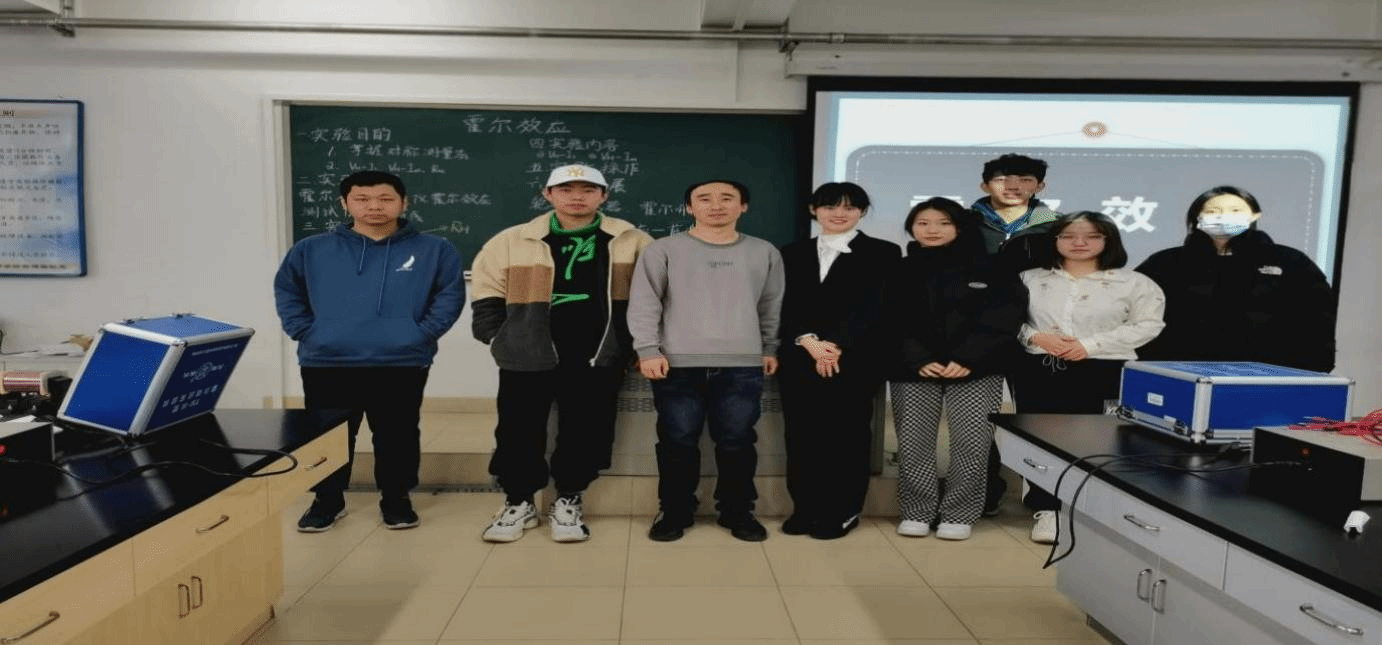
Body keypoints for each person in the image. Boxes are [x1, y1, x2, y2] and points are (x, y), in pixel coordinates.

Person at [470, 163, 653, 543]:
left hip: (599, 353)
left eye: (587, 190)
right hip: (527, 351)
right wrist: (498, 337)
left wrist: (637, 344)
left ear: (604, 195)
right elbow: (487, 292)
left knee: (587, 429)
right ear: (548, 194)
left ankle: (569, 498)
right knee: (518, 429)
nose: (576, 197)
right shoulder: (513, 240)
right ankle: (518, 501)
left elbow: (652, 297)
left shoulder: (632, 240)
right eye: (566, 190)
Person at [274, 170, 465, 532]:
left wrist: (421, 334)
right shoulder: (310, 249)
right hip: (327, 360)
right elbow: (288, 291)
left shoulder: (435, 249)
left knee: (398, 435)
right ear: (344, 203)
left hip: (402, 360)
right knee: (329, 436)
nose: (374, 206)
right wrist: (306, 331)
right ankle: (327, 501)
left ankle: (397, 500)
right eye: (362, 199)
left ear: (404, 203)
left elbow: (449, 295)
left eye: (385, 198)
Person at [627, 179, 785, 542]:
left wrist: (769, 347)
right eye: (704, 199)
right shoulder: (663, 250)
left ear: (743, 206)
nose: (716, 205)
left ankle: (737, 511)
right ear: (689, 207)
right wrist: (647, 349)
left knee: (737, 441)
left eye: (727, 198)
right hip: (676, 363)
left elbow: (771, 304)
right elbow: (645, 302)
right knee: (677, 440)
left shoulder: (764, 252)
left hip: (742, 363)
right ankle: (675, 510)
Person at [1009, 211, 1165, 543]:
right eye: (1068, 236)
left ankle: (1090, 509)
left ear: (1108, 240)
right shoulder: (1029, 278)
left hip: (1104, 368)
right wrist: (1037, 338)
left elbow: (1148, 325)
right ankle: (1048, 509)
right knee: (1043, 439)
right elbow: (1007, 319)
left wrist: (1089, 345)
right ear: (1055, 241)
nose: (1079, 242)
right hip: (1042, 369)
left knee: (1100, 441)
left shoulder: (1135, 283)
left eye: (1092, 236)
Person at [885, 198, 1027, 541]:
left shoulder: (992, 268)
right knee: (914, 442)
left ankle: (960, 512)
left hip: (977, 369)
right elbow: (889, 319)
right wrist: (918, 358)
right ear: (911, 228)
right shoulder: (898, 269)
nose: (932, 230)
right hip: (914, 369)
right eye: (923, 223)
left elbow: (1005, 317)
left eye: (943, 223)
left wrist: (968, 358)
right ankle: (917, 510)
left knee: (971, 442)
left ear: (960, 227)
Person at [776, 182, 900, 539]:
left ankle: (843, 510)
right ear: (814, 210)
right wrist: (808, 341)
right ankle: (804, 508)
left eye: (849, 207)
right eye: (830, 206)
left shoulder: (884, 252)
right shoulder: (791, 252)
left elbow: (879, 307)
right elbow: (782, 303)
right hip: (800, 356)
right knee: (801, 434)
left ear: (862, 212)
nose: (839, 213)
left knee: (846, 436)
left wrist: (836, 344)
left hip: (855, 359)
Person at [1135, 185, 1336, 372]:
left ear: (1254, 215)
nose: (1223, 216)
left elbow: (1318, 318)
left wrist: (1312, 369)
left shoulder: (1289, 260)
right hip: (1180, 372)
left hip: (1266, 374)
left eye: (1235, 210)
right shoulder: (1166, 262)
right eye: (1212, 211)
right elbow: (1134, 312)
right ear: (1197, 217)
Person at [971, 153, 1061, 517]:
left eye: (1024, 179)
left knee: (1038, 418)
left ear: (1040, 186)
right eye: (1002, 178)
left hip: (1039, 335)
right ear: (984, 185)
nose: (1013, 186)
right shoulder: (962, 223)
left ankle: (1044, 500)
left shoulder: (1058, 227)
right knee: (976, 418)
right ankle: (983, 492)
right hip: (977, 333)